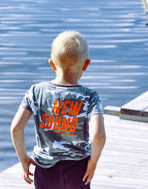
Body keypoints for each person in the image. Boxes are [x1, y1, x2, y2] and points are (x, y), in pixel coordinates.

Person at [10, 30, 106, 189]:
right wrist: (93, 162)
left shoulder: (36, 92)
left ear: (52, 64)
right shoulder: (89, 97)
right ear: (86, 64)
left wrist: (24, 159)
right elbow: (98, 136)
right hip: (78, 170)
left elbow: (16, 128)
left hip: (44, 170)